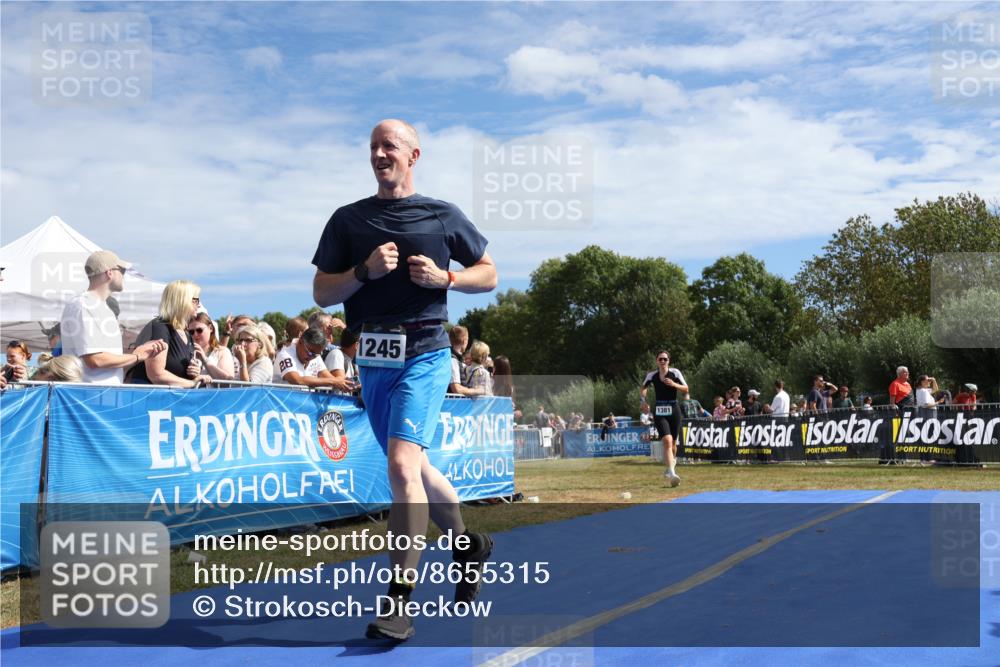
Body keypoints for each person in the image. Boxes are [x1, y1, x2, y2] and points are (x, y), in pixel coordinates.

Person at [311, 119, 497, 641]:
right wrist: (363, 273)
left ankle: (399, 600)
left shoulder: (441, 215)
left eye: (388, 145)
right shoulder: (348, 220)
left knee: (399, 464)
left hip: (425, 350)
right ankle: (468, 547)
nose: (378, 153)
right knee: (415, 464)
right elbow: (323, 293)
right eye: (372, 146)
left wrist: (448, 279)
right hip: (372, 357)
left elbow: (490, 271)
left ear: (413, 155)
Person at [60, 250, 166, 384]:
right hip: (89, 397)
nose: (124, 275)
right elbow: (95, 360)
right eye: (121, 270)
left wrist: (139, 352)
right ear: (109, 273)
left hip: (102, 395)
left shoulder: (99, 307)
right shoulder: (84, 304)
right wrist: (137, 355)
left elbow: (101, 359)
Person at [131, 280, 213, 388]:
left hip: (172, 399)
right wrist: (192, 384)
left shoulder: (186, 333)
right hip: (153, 401)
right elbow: (156, 375)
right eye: (195, 300)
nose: (198, 305)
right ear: (182, 300)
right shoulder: (160, 326)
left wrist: (194, 373)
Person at [640, 350, 689, 488]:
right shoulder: (652, 375)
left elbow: (686, 389)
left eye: (665, 359)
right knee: (666, 441)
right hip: (659, 410)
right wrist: (643, 400)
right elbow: (643, 388)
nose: (662, 361)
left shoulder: (675, 373)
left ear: (669, 361)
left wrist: (674, 384)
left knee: (673, 443)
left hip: (674, 409)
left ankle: (670, 467)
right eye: (660, 359)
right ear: (656, 361)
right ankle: (673, 474)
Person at [274, 327, 354, 391]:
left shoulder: (315, 354)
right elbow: (297, 380)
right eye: (310, 352)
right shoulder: (285, 355)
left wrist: (347, 384)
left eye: (316, 355)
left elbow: (328, 378)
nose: (311, 357)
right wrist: (334, 382)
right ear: (301, 341)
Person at [189, 312, 235, 381]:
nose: (195, 335)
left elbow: (228, 382)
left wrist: (204, 360)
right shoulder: (187, 352)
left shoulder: (222, 352)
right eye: (191, 332)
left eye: (199, 330)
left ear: (210, 328)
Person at [325, 328, 360, 395]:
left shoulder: (352, 361)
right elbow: (343, 383)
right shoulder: (337, 354)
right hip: (334, 403)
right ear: (356, 345)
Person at [447, 325, 478, 397]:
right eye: (467, 339)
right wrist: (477, 391)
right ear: (464, 341)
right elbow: (456, 389)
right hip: (453, 405)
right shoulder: (453, 360)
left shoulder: (455, 358)